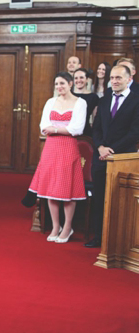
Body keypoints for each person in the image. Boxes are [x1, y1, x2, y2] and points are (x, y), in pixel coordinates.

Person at [28, 72, 87, 243]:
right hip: (51, 148)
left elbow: (77, 128)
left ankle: (67, 227)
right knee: (50, 188)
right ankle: (55, 226)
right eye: (56, 84)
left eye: (62, 83)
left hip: (68, 147)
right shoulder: (50, 102)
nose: (59, 87)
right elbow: (43, 126)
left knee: (67, 188)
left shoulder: (80, 103)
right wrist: (57, 129)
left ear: (70, 84)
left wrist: (54, 129)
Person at [85, 65, 139, 248]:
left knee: (120, 200)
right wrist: (100, 147)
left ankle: (118, 241)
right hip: (100, 158)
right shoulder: (105, 98)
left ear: (129, 79)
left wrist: (111, 149)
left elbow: (135, 133)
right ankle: (99, 237)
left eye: (119, 78)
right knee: (100, 198)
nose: (114, 81)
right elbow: (97, 127)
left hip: (123, 158)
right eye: (112, 78)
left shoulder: (136, 100)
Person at [72, 68, 99, 135]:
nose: (78, 80)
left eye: (81, 77)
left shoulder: (93, 97)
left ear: (87, 79)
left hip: (86, 132)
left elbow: (96, 119)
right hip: (69, 131)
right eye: (76, 78)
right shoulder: (69, 95)